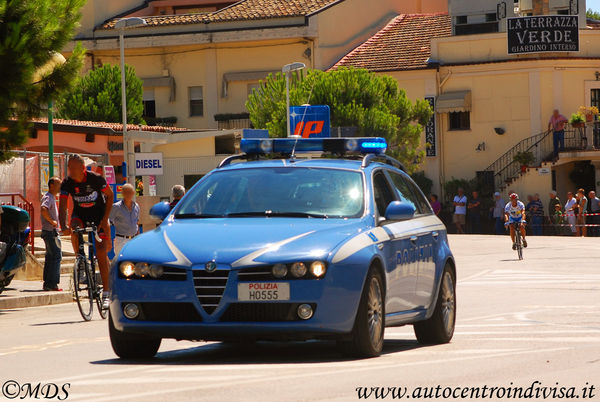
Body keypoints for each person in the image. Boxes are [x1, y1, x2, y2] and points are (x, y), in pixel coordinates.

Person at [59, 154, 113, 309]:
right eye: (69, 168)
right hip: (80, 215)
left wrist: (105, 219)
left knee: (101, 254)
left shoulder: (96, 179)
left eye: (74, 168)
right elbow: (62, 205)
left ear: (83, 169)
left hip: (99, 217)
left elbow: (110, 196)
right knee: (74, 226)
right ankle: (80, 260)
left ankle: (107, 293)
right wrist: (63, 226)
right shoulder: (67, 183)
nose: (71, 171)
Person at [41, 177, 63, 291]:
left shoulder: (52, 198)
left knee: (50, 257)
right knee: (56, 256)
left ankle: (48, 283)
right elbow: (43, 209)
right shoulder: (48, 197)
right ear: (52, 185)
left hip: (50, 232)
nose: (60, 186)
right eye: (58, 184)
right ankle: (52, 283)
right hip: (50, 232)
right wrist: (52, 221)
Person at [109, 183, 140, 257]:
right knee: (121, 263)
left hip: (134, 240)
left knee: (133, 262)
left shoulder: (137, 207)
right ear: (122, 193)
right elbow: (108, 222)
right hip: (121, 240)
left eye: (130, 192)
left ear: (133, 193)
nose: (128, 194)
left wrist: (138, 237)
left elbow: (137, 222)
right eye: (126, 192)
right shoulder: (116, 207)